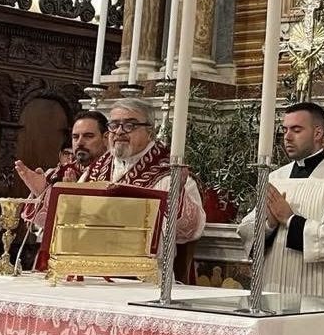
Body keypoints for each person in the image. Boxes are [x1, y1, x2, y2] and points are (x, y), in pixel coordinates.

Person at [26, 100, 206, 271]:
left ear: (150, 131)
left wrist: (178, 193)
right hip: (89, 269)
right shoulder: (96, 170)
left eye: (130, 125)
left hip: (142, 276)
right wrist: (43, 193)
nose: (119, 132)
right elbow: (67, 222)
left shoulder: (168, 173)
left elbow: (188, 232)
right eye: (114, 125)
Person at [237, 102, 324, 296]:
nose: (287, 137)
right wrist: (269, 224)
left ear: (318, 133)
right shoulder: (275, 178)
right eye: (285, 130)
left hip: (319, 289)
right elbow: (246, 230)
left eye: (296, 130)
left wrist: (290, 219)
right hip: (273, 287)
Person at [15, 110, 109, 197]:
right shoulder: (59, 173)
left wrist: (73, 194)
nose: (80, 142)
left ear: (106, 138)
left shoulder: (113, 172)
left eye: (88, 136)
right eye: (75, 137)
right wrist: (41, 192)